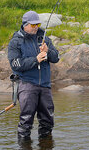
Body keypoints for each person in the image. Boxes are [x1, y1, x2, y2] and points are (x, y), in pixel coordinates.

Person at [7, 11, 60, 142]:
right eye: (33, 24)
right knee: (26, 121)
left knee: (48, 121)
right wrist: (35, 59)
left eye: (38, 24)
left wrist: (48, 51)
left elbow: (56, 58)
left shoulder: (44, 39)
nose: (36, 27)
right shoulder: (16, 42)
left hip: (45, 86)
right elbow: (15, 64)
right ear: (25, 25)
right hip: (27, 85)